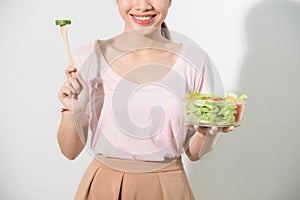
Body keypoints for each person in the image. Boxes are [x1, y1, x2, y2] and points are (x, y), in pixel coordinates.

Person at [57, 0, 235, 199]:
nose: (142, 6)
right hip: (103, 187)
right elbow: (69, 151)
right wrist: (76, 110)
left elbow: (194, 153)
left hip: (169, 187)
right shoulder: (89, 56)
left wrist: (205, 133)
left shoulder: (194, 61)